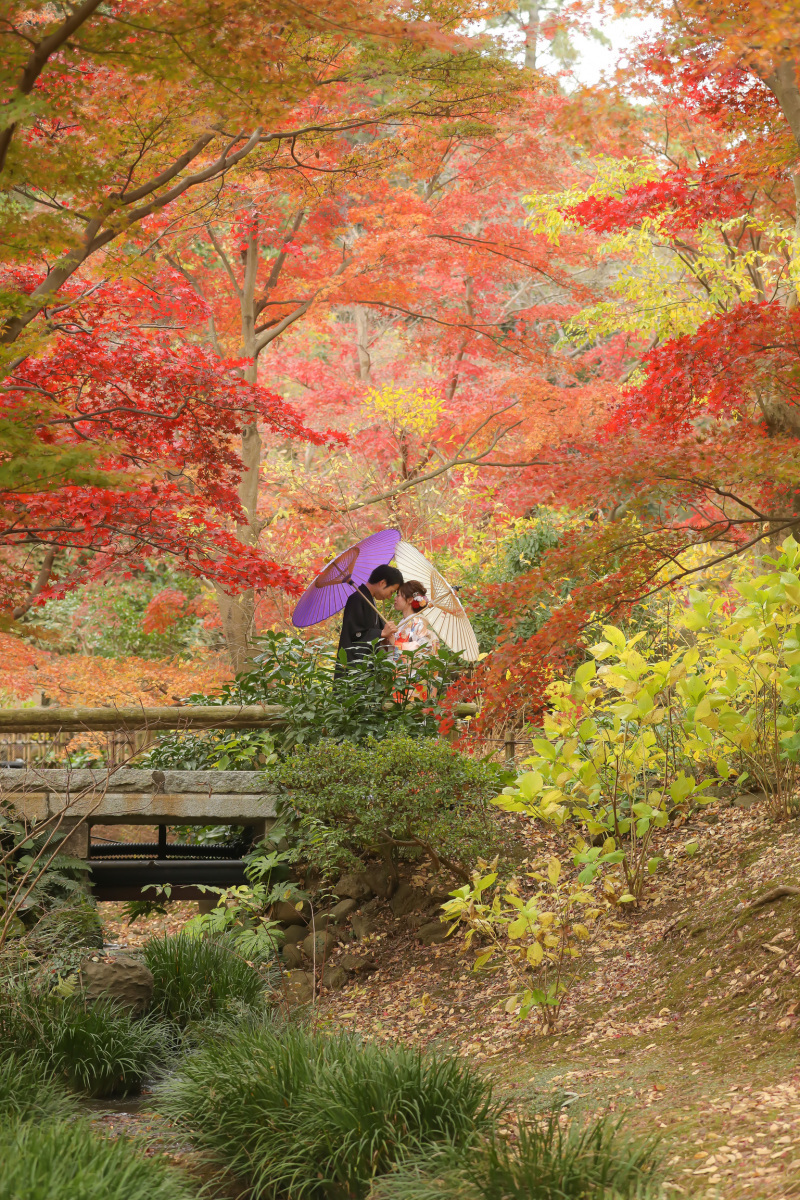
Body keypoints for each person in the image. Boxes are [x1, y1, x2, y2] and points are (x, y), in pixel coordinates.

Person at [336, 564, 403, 666]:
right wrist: (381, 633)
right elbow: (355, 635)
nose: (389, 597)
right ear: (382, 583)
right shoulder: (357, 599)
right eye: (391, 592)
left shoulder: (369, 600)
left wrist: (386, 635)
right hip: (353, 668)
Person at [389, 580, 441, 660]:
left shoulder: (418, 624)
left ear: (410, 600)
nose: (395, 598)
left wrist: (393, 641)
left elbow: (423, 652)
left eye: (398, 595)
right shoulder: (405, 622)